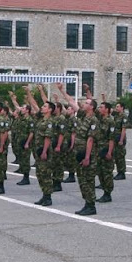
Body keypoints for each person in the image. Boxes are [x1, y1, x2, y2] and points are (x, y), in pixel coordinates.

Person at [57, 82, 99, 216]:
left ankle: (91, 205)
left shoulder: (93, 120)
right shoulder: (82, 115)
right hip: (79, 153)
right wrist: (62, 90)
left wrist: (87, 157)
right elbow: (70, 101)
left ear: (91, 107)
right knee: (81, 180)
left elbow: (90, 140)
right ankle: (87, 203)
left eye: (86, 103)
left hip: (88, 155)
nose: (83, 104)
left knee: (88, 180)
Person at [112, 103, 128, 180]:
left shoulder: (123, 116)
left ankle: (122, 173)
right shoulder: (116, 115)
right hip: (115, 137)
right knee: (116, 156)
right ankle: (119, 172)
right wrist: (104, 98)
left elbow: (123, 129)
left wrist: (121, 140)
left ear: (122, 108)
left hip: (120, 138)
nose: (116, 108)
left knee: (120, 156)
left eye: (118, 106)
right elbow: (109, 109)